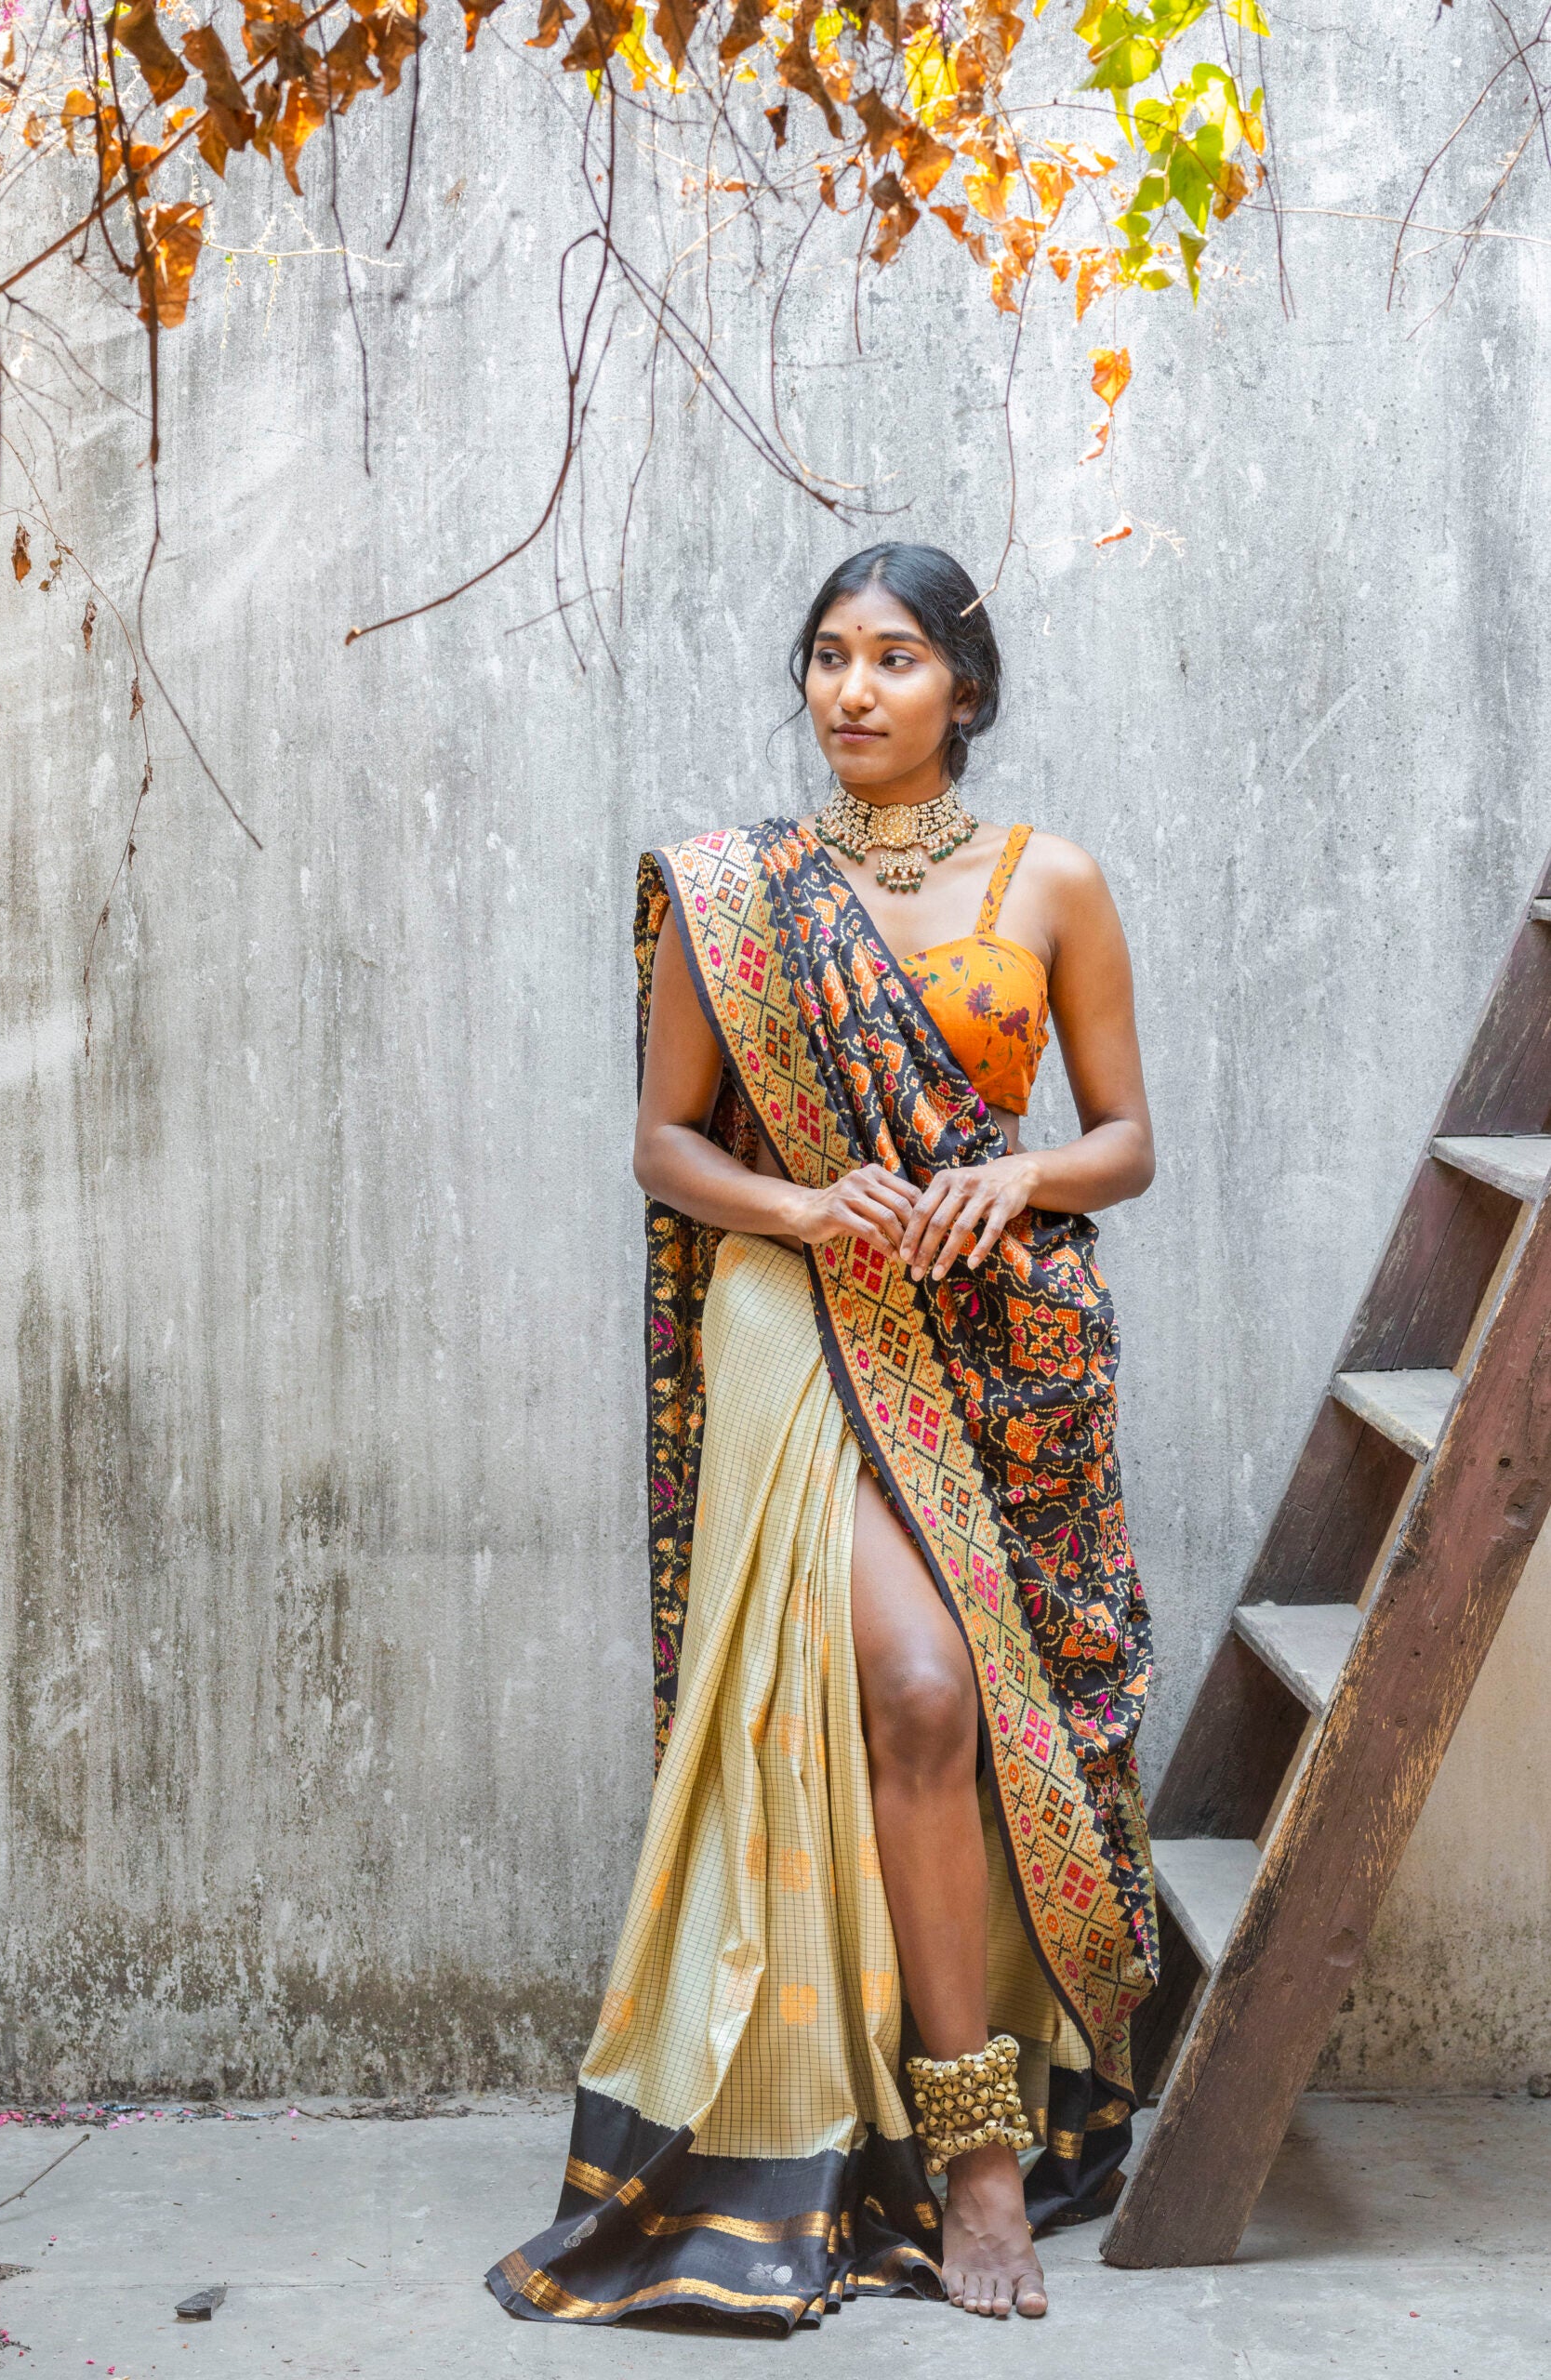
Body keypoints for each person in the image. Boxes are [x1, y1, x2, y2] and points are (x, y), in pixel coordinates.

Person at [489, 542, 1159, 2331]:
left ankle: (974, 2083)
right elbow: (667, 1146)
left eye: (893, 660)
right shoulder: (737, 898)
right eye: (826, 658)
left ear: (965, 688)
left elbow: (1124, 1142)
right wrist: (801, 1216)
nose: (851, 691)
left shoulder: (1055, 884)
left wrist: (1014, 1173)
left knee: (996, 1716)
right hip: (800, 1319)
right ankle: (975, 2162)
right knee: (926, 1693)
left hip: (999, 1349)